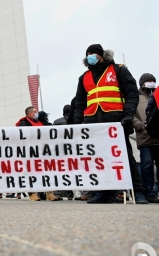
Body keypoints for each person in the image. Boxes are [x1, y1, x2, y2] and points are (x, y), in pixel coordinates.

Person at [73, 44, 147, 204]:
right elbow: (79, 102)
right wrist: (77, 123)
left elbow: (132, 93)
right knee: (100, 159)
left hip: (116, 122)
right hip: (95, 125)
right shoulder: (84, 77)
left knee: (126, 157)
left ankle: (137, 191)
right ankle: (105, 192)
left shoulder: (119, 70)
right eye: (87, 54)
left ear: (101, 55)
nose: (89, 56)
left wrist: (128, 114)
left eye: (92, 53)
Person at [15, 106, 61, 202]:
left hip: (42, 151)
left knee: (48, 171)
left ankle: (50, 193)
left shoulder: (39, 123)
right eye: (35, 112)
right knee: (31, 173)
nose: (37, 114)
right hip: (30, 152)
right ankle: (32, 194)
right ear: (30, 113)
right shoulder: (24, 123)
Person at [132, 73, 159, 203]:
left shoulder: (158, 95)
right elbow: (132, 115)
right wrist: (140, 126)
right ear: (142, 83)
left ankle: (156, 192)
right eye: (148, 81)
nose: (151, 83)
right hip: (145, 137)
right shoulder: (136, 97)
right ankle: (148, 192)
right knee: (146, 165)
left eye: (153, 81)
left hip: (158, 137)